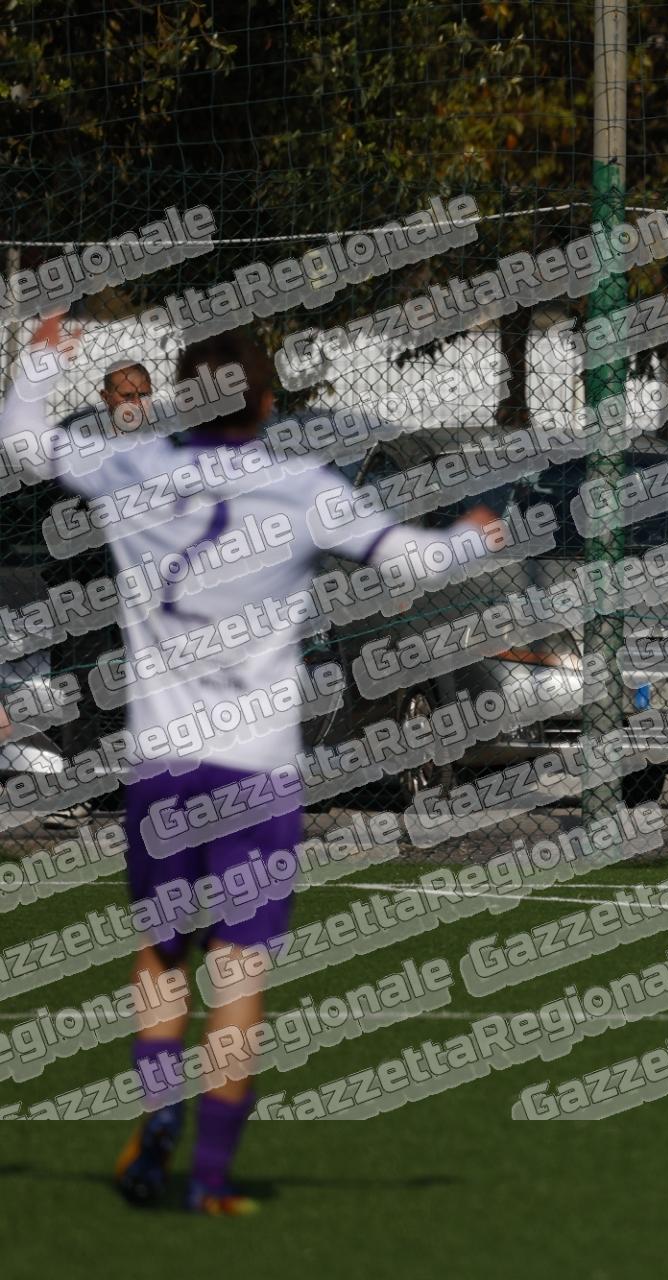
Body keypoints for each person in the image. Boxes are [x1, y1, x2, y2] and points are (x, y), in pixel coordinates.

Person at [0, 315, 503, 1215]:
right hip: (256, 772)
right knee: (238, 972)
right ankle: (209, 1178)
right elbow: (411, 560)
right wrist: (471, 536)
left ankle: (159, 1112)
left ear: (181, 403)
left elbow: (22, 442)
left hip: (163, 764)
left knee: (161, 956)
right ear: (267, 404)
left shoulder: (130, 468)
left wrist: (40, 359)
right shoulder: (302, 485)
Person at [35, 361, 155, 827]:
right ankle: (83, 790)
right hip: (87, 589)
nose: (136, 404)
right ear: (106, 399)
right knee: (82, 685)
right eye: (126, 395)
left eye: (143, 394)